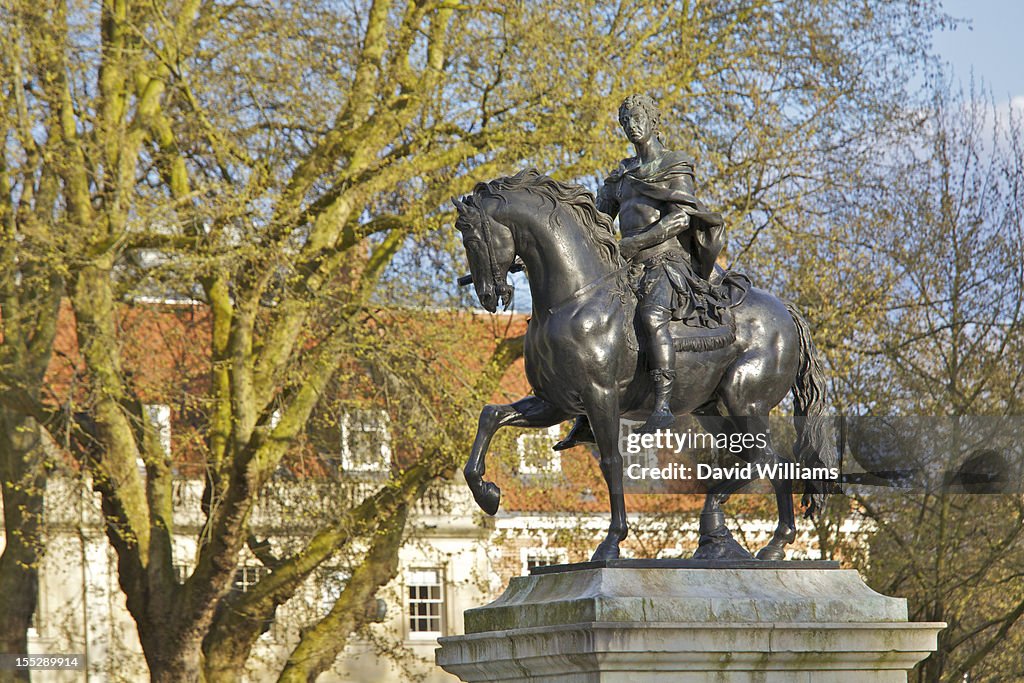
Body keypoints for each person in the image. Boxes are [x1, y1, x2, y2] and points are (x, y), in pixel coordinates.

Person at [556, 94, 747, 446]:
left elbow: (681, 218)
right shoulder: (621, 176)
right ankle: (586, 414)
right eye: (626, 120)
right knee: (590, 323)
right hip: (628, 266)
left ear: (653, 120)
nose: (632, 125)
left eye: (638, 117)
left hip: (667, 261)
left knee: (651, 314)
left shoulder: (676, 165)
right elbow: (596, 224)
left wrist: (637, 242)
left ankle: (662, 404)